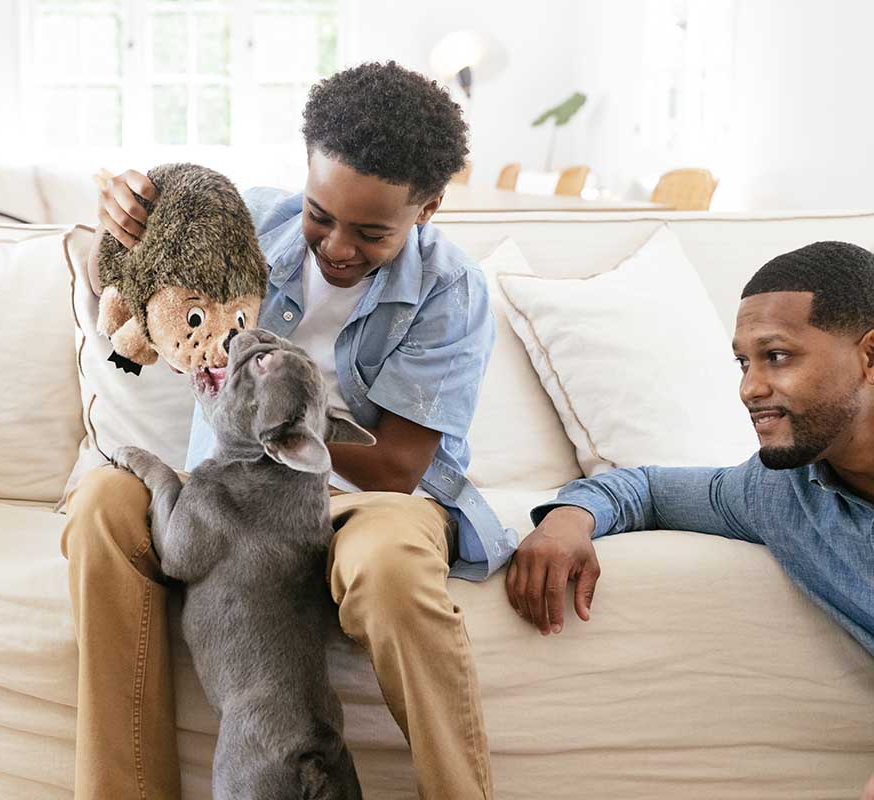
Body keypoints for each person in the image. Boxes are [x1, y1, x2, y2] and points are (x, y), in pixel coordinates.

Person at [61, 61, 515, 799]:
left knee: (393, 569)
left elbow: (397, 465)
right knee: (98, 512)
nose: (337, 246)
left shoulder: (450, 290)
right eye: (320, 214)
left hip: (366, 499)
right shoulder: (246, 226)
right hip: (231, 490)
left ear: (427, 208)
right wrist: (126, 216)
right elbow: (152, 287)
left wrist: (271, 432)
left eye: (372, 232)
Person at [508, 240, 874, 796]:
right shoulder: (780, 491)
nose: (750, 388)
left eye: (777, 356)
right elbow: (649, 487)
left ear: (868, 357)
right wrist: (568, 518)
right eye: (743, 362)